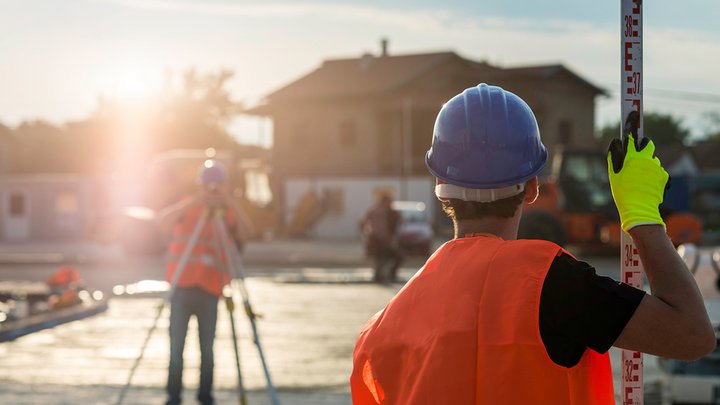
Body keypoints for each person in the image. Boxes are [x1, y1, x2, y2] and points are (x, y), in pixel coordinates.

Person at [350, 84, 716, 404]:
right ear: (533, 187)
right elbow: (692, 336)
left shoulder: (381, 330)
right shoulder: (550, 283)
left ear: (439, 186)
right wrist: (643, 218)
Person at [157, 160, 254, 405]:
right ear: (200, 186)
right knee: (176, 350)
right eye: (208, 186)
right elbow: (162, 221)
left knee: (207, 351)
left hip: (210, 289)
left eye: (217, 186)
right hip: (182, 286)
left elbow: (247, 233)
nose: (212, 190)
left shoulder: (227, 212)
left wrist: (230, 203)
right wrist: (195, 201)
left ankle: (205, 396)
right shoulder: (188, 207)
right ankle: (173, 396)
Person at [360, 193, 403, 283]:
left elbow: (362, 221)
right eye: (389, 202)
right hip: (380, 239)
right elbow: (381, 228)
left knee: (382, 257)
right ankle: (385, 275)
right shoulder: (381, 212)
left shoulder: (373, 209)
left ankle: (380, 275)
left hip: (376, 238)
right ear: (385, 201)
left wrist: (365, 233)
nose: (390, 204)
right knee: (389, 256)